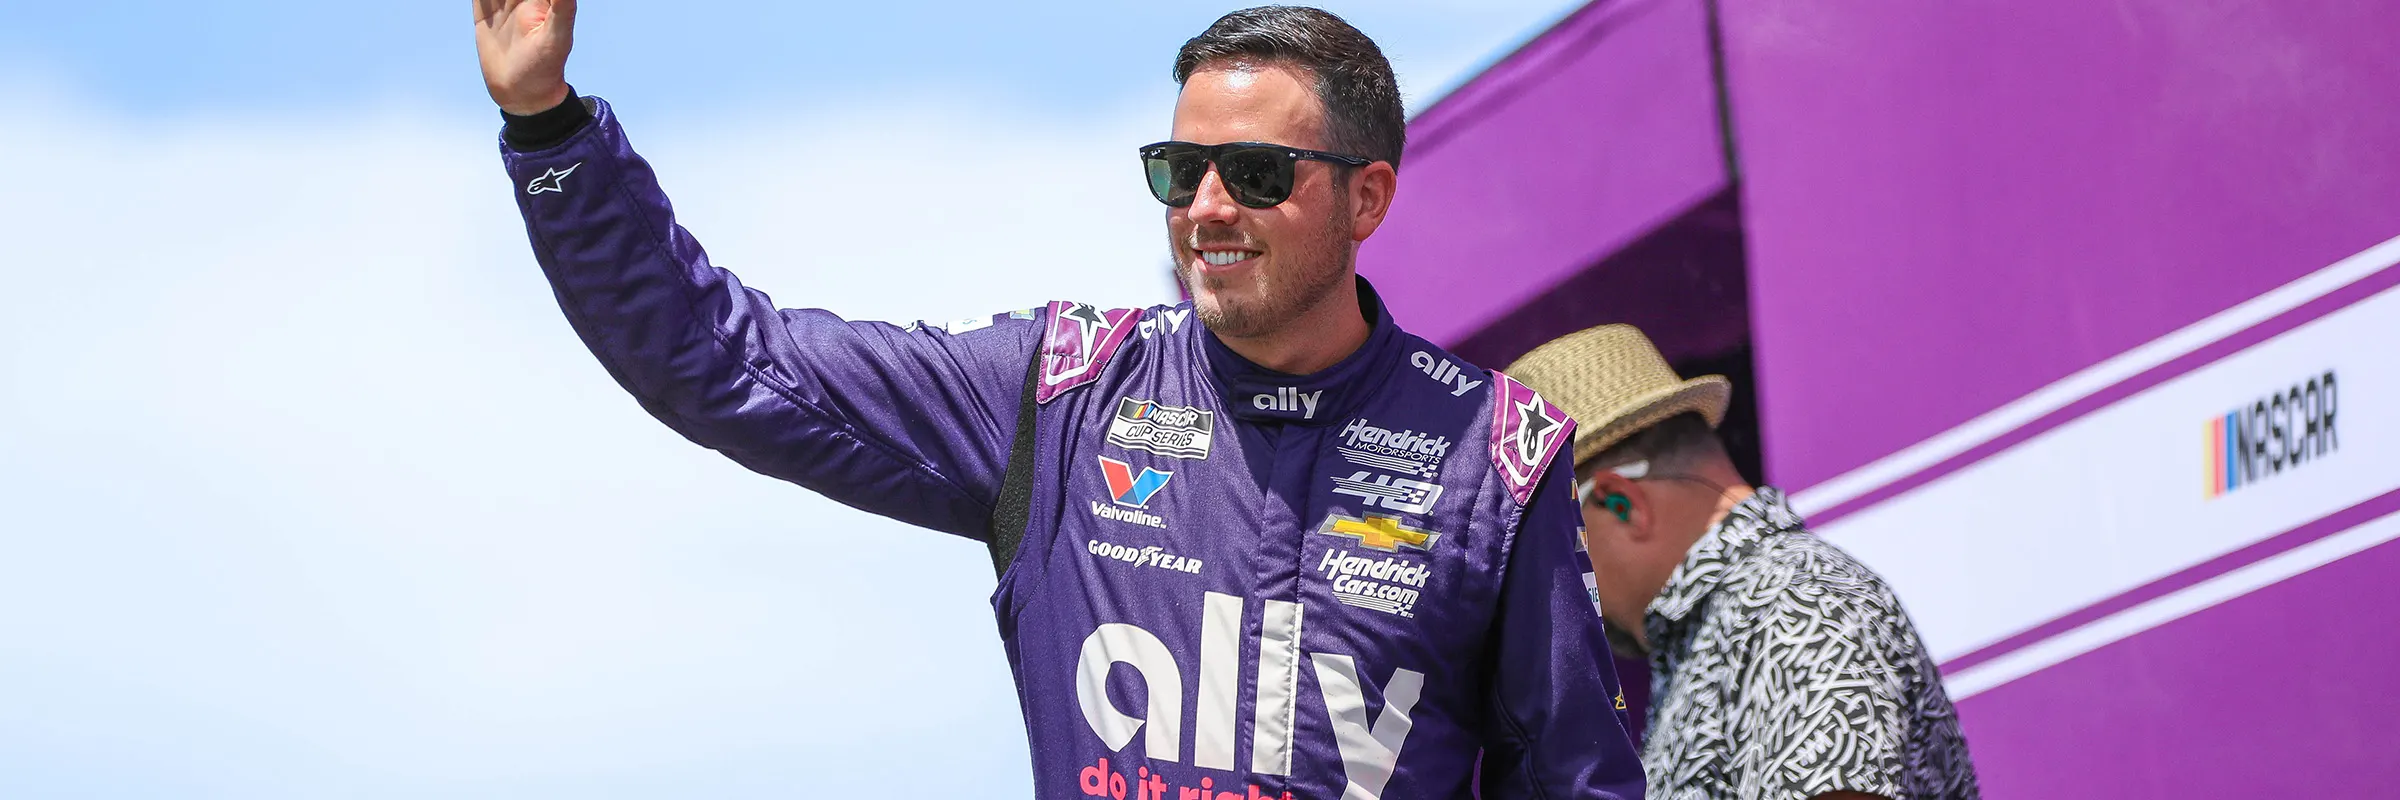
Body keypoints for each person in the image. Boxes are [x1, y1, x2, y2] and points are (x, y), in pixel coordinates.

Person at [469, 2, 1645, 798]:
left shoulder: (1495, 453)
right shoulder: (1064, 392)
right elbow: (722, 360)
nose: (1208, 208)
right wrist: (548, 124)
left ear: (1368, 198)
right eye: (1180, 171)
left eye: (1256, 173)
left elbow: (1577, 780)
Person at [1506, 324, 1979, 800]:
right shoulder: (1731, 625)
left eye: (1548, 550)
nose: (1548, 588)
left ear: (1620, 502)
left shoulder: (1797, 603)